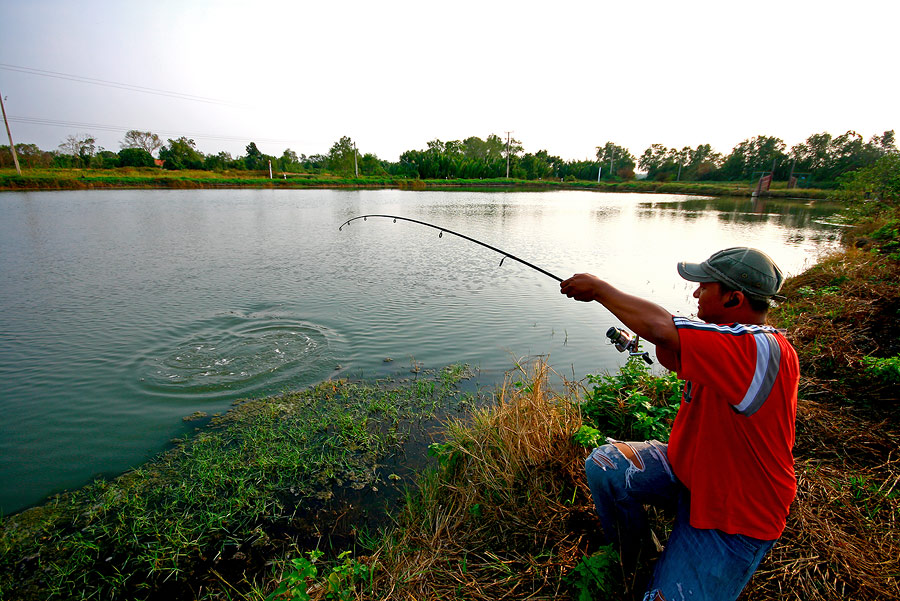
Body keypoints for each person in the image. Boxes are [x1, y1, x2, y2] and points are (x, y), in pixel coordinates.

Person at [560, 247, 799, 601]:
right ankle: (636, 557)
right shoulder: (724, 338)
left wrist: (599, 289)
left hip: (735, 512)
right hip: (690, 472)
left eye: (704, 287)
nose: (695, 293)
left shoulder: (760, 349)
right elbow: (666, 338)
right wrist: (658, 331)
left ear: (734, 298)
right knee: (605, 465)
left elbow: (661, 326)